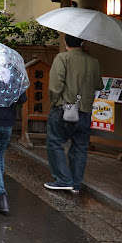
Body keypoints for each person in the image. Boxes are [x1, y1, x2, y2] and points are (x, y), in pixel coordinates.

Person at [44, 34, 103, 194]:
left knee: (55, 142)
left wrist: (56, 103)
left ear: (65, 42)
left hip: (64, 109)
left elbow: (55, 86)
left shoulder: (62, 58)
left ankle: (63, 180)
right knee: (80, 146)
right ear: (83, 43)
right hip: (85, 111)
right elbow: (99, 85)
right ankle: (75, 184)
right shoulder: (93, 62)